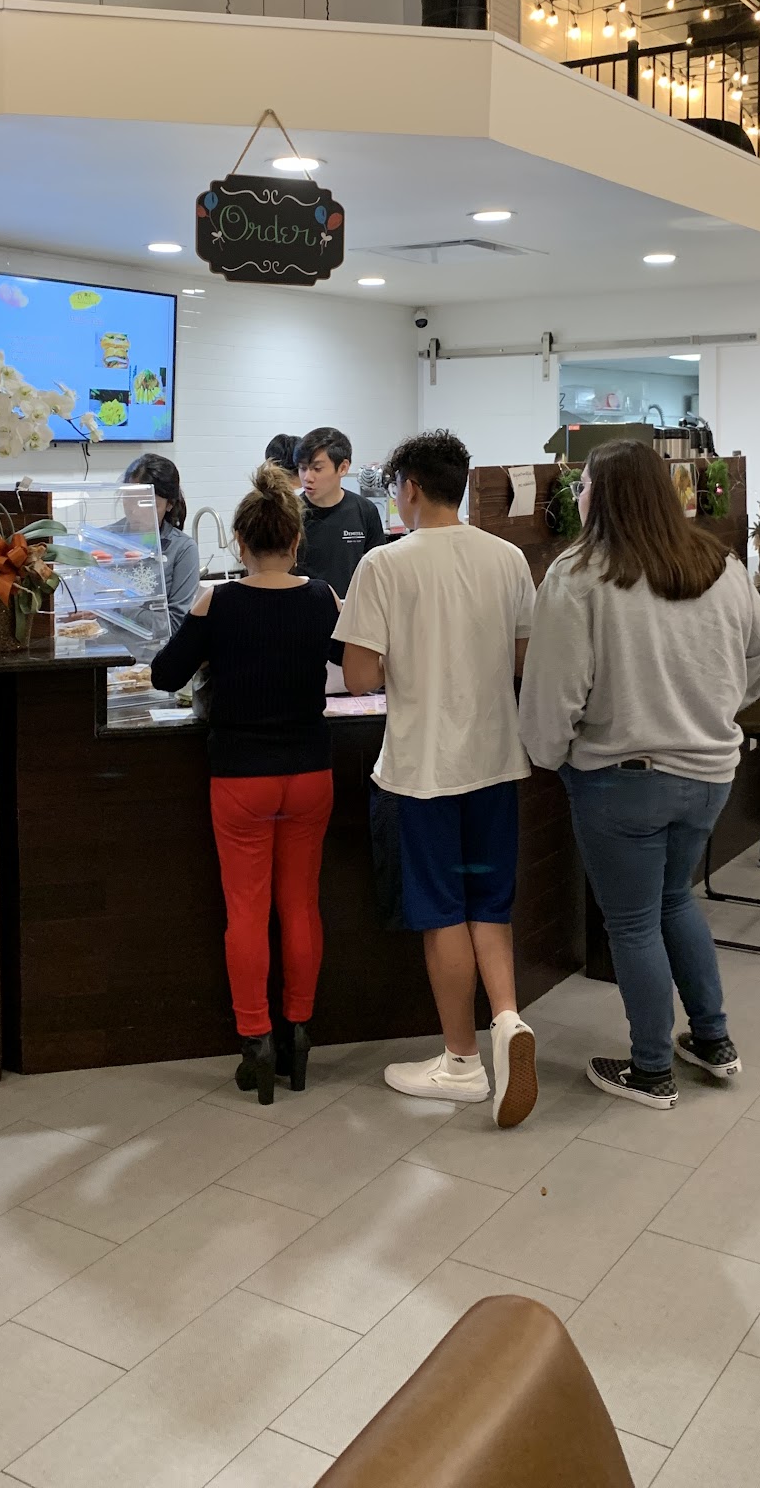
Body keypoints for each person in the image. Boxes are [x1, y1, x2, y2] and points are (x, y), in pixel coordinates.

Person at [519, 442, 760, 1110]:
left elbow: (554, 693)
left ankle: (651, 1069)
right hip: (710, 774)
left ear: (602, 496)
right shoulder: (718, 564)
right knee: (673, 900)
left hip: (621, 781)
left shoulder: (577, 575)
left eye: (583, 486)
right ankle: (713, 1040)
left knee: (632, 923)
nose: (577, 496)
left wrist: (549, 754)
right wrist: (720, 707)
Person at [336, 429, 540, 1129]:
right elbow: (523, 660)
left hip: (422, 773)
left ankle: (461, 1061)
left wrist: (410, 658)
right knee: (489, 905)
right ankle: (508, 1020)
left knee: (443, 913)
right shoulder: (508, 558)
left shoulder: (385, 564)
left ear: (412, 489)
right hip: (496, 764)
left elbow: (358, 676)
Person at [150, 463, 340, 1105]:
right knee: (301, 906)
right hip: (310, 772)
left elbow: (164, 675)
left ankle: (256, 1041)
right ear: (296, 539)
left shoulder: (220, 601)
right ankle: (298, 1033)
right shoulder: (321, 597)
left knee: (247, 912)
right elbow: (354, 658)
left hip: (241, 778)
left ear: (239, 542)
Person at [295, 426, 386, 597]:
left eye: (317, 469)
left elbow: (378, 569)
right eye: (302, 468)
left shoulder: (365, 510)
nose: (307, 477)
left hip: (352, 607)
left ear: (343, 468)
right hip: (304, 607)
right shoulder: (291, 513)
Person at [116, 453, 201, 624]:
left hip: (155, 642)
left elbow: (177, 622)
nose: (135, 511)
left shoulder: (182, 549)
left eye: (147, 504)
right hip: (107, 640)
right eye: (129, 499)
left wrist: (116, 608)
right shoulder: (105, 538)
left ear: (170, 504)